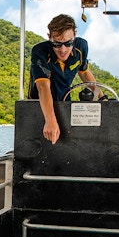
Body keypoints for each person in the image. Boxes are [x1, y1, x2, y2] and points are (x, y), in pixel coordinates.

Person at [28, 14, 106, 144]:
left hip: (65, 102)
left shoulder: (81, 47)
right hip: (39, 106)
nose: (63, 49)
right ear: (49, 37)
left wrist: (101, 97)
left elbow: (85, 73)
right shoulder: (40, 52)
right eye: (57, 44)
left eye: (68, 43)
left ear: (74, 35)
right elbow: (43, 87)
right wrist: (50, 120)